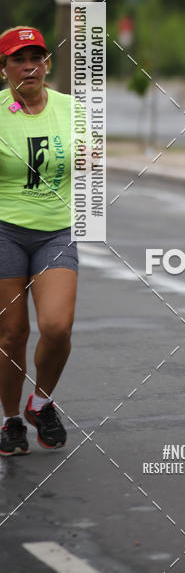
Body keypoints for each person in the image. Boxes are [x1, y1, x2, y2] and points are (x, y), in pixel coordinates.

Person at [0, 26, 78, 456]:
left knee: (57, 327)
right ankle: (10, 419)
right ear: (4, 68)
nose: (29, 66)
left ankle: (41, 402)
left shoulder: (72, 109)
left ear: (47, 63)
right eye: (18, 59)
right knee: (12, 334)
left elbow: (90, 159)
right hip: (5, 230)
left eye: (37, 58)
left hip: (56, 232)